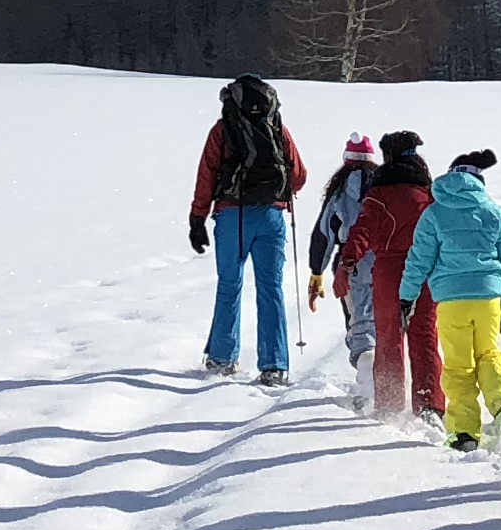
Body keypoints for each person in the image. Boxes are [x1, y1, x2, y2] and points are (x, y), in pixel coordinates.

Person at [187, 73, 307, 383]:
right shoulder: (276, 126)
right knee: (271, 289)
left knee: (230, 285)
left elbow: (207, 174)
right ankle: (275, 365)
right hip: (271, 216)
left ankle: (222, 358)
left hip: (231, 216)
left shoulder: (223, 128)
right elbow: (299, 175)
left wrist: (198, 217)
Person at [403, 148, 501, 451]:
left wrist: (407, 297)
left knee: (459, 365)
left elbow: (419, 260)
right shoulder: (492, 211)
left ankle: (464, 433)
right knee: (489, 354)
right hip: (489, 298)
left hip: (452, 300)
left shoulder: (434, 213)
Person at [332, 132, 442, 420]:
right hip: (425, 272)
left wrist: (347, 263)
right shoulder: (429, 192)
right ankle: (429, 405)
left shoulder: (378, 194)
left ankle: (390, 404)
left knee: (389, 338)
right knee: (425, 338)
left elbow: (363, 230)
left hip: (389, 272)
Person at [306, 132, 382, 394]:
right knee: (386, 323)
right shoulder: (384, 187)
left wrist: (316, 272)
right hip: (385, 262)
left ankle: (367, 387)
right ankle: (387, 382)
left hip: (349, 265)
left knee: (359, 323)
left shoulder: (339, 193)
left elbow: (324, 233)